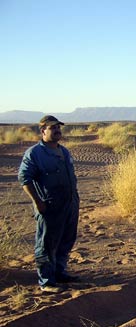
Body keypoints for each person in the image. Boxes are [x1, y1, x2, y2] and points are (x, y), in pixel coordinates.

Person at [18, 115, 80, 293]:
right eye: (52, 128)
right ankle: (46, 282)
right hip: (49, 204)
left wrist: (74, 200)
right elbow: (25, 179)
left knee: (66, 239)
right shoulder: (34, 153)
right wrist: (37, 202)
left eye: (58, 127)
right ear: (43, 130)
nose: (57, 130)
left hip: (69, 203)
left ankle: (59, 272)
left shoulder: (64, 151)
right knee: (46, 243)